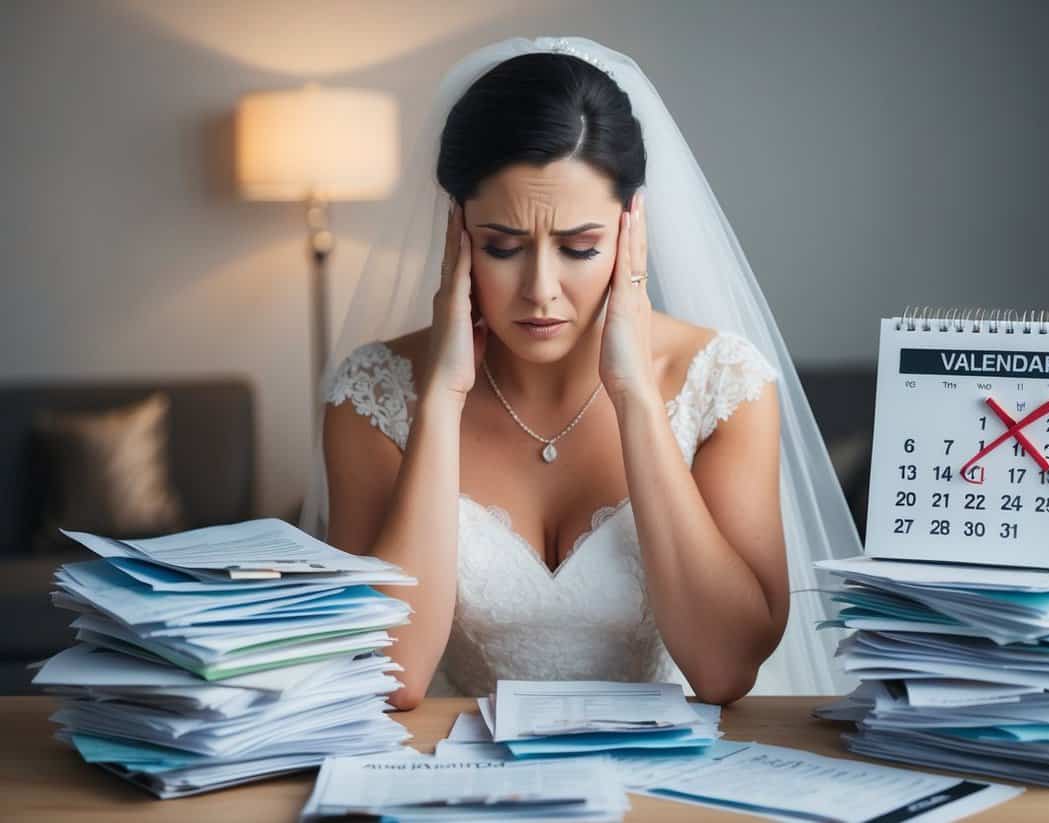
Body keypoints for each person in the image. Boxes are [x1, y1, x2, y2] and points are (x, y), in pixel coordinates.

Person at [299, 36, 861, 708]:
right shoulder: (374, 398)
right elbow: (390, 677)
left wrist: (635, 399)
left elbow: (725, 668)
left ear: (632, 229)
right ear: (457, 234)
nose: (541, 289)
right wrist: (443, 400)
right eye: (503, 247)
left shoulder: (726, 385)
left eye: (580, 247)